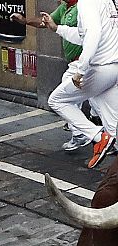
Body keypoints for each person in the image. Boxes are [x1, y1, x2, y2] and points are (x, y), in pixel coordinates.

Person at [42, 1, 118, 169]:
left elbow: (93, 34)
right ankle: (106, 139)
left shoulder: (87, 3)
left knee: (57, 100)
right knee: (114, 129)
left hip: (100, 69)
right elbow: (84, 34)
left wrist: (81, 70)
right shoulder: (105, 2)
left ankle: (98, 137)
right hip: (113, 69)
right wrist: (57, 29)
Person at [12, 1, 89, 152]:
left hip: (83, 62)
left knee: (63, 98)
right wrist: (25, 20)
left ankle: (81, 134)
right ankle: (106, 139)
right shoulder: (64, 8)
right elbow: (44, 22)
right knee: (100, 104)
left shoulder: (85, 7)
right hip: (77, 63)